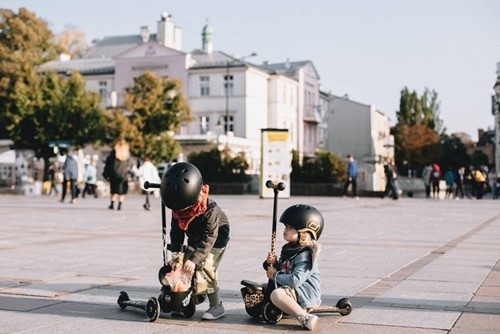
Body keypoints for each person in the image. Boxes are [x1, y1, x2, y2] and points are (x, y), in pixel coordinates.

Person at [163, 162, 230, 321]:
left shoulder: (210, 209)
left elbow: (209, 238)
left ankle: (216, 305)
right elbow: (177, 233)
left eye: (183, 210)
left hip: (216, 237)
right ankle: (187, 299)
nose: (180, 213)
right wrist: (177, 256)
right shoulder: (178, 206)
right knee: (184, 265)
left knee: (204, 266)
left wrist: (195, 259)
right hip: (195, 236)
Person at [264, 204, 324, 331]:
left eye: (290, 227)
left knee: (276, 295)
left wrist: (275, 275)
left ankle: (305, 318)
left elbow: (296, 280)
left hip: (304, 296)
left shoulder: (306, 254)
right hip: (292, 291)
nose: (285, 229)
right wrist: (274, 264)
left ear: (304, 232)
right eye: (285, 226)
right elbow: (285, 269)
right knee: (262, 290)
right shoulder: (290, 248)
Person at [103, 138, 131, 210]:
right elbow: (129, 164)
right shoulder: (127, 153)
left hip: (114, 173)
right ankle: (120, 205)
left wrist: (106, 173)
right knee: (122, 191)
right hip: (123, 173)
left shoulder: (114, 152)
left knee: (113, 189)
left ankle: (112, 203)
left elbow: (108, 161)